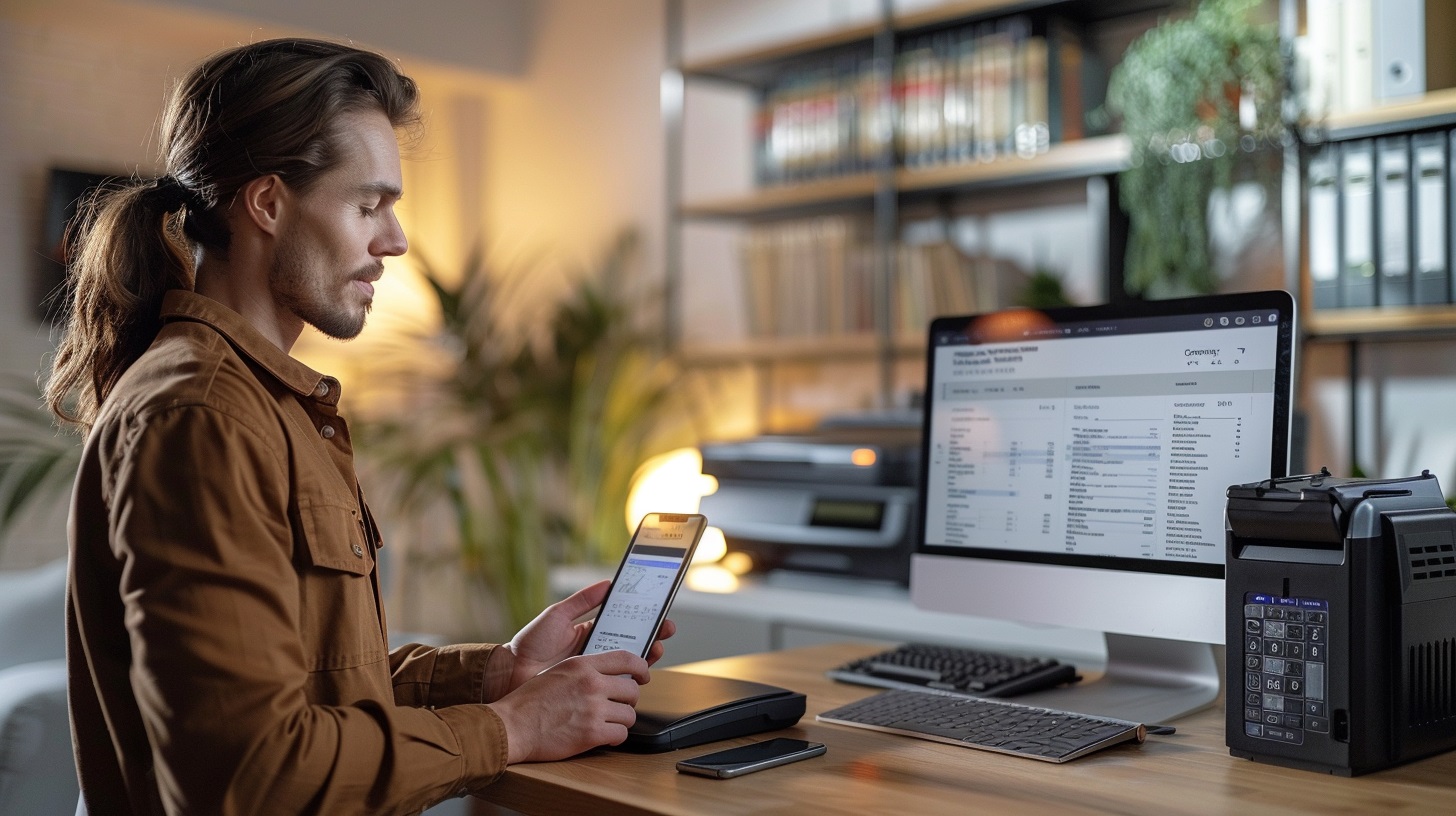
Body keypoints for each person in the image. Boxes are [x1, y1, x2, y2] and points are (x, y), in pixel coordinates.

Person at [47, 38, 672, 815]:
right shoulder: (202, 415)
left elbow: (314, 687)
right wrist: (510, 729)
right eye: (367, 205)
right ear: (268, 203)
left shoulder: (265, 403)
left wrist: (498, 672)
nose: (395, 240)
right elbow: (250, 773)